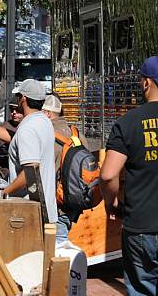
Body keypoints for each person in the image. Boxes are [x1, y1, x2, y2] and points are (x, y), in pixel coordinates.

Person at [0, 79, 57, 226]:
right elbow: (11, 137)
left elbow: (30, 171)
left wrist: (4, 192)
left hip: (26, 210)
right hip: (43, 208)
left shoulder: (28, 128)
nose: (17, 100)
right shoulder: (44, 122)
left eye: (18, 96)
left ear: (23, 98)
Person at [100, 56, 158, 295]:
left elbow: (107, 175)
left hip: (142, 226)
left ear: (146, 83)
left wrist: (111, 202)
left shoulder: (128, 123)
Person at [41, 94, 89, 243]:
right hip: (71, 201)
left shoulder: (45, 133)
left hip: (53, 203)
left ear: (48, 113)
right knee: (60, 242)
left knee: (56, 249)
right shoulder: (76, 133)